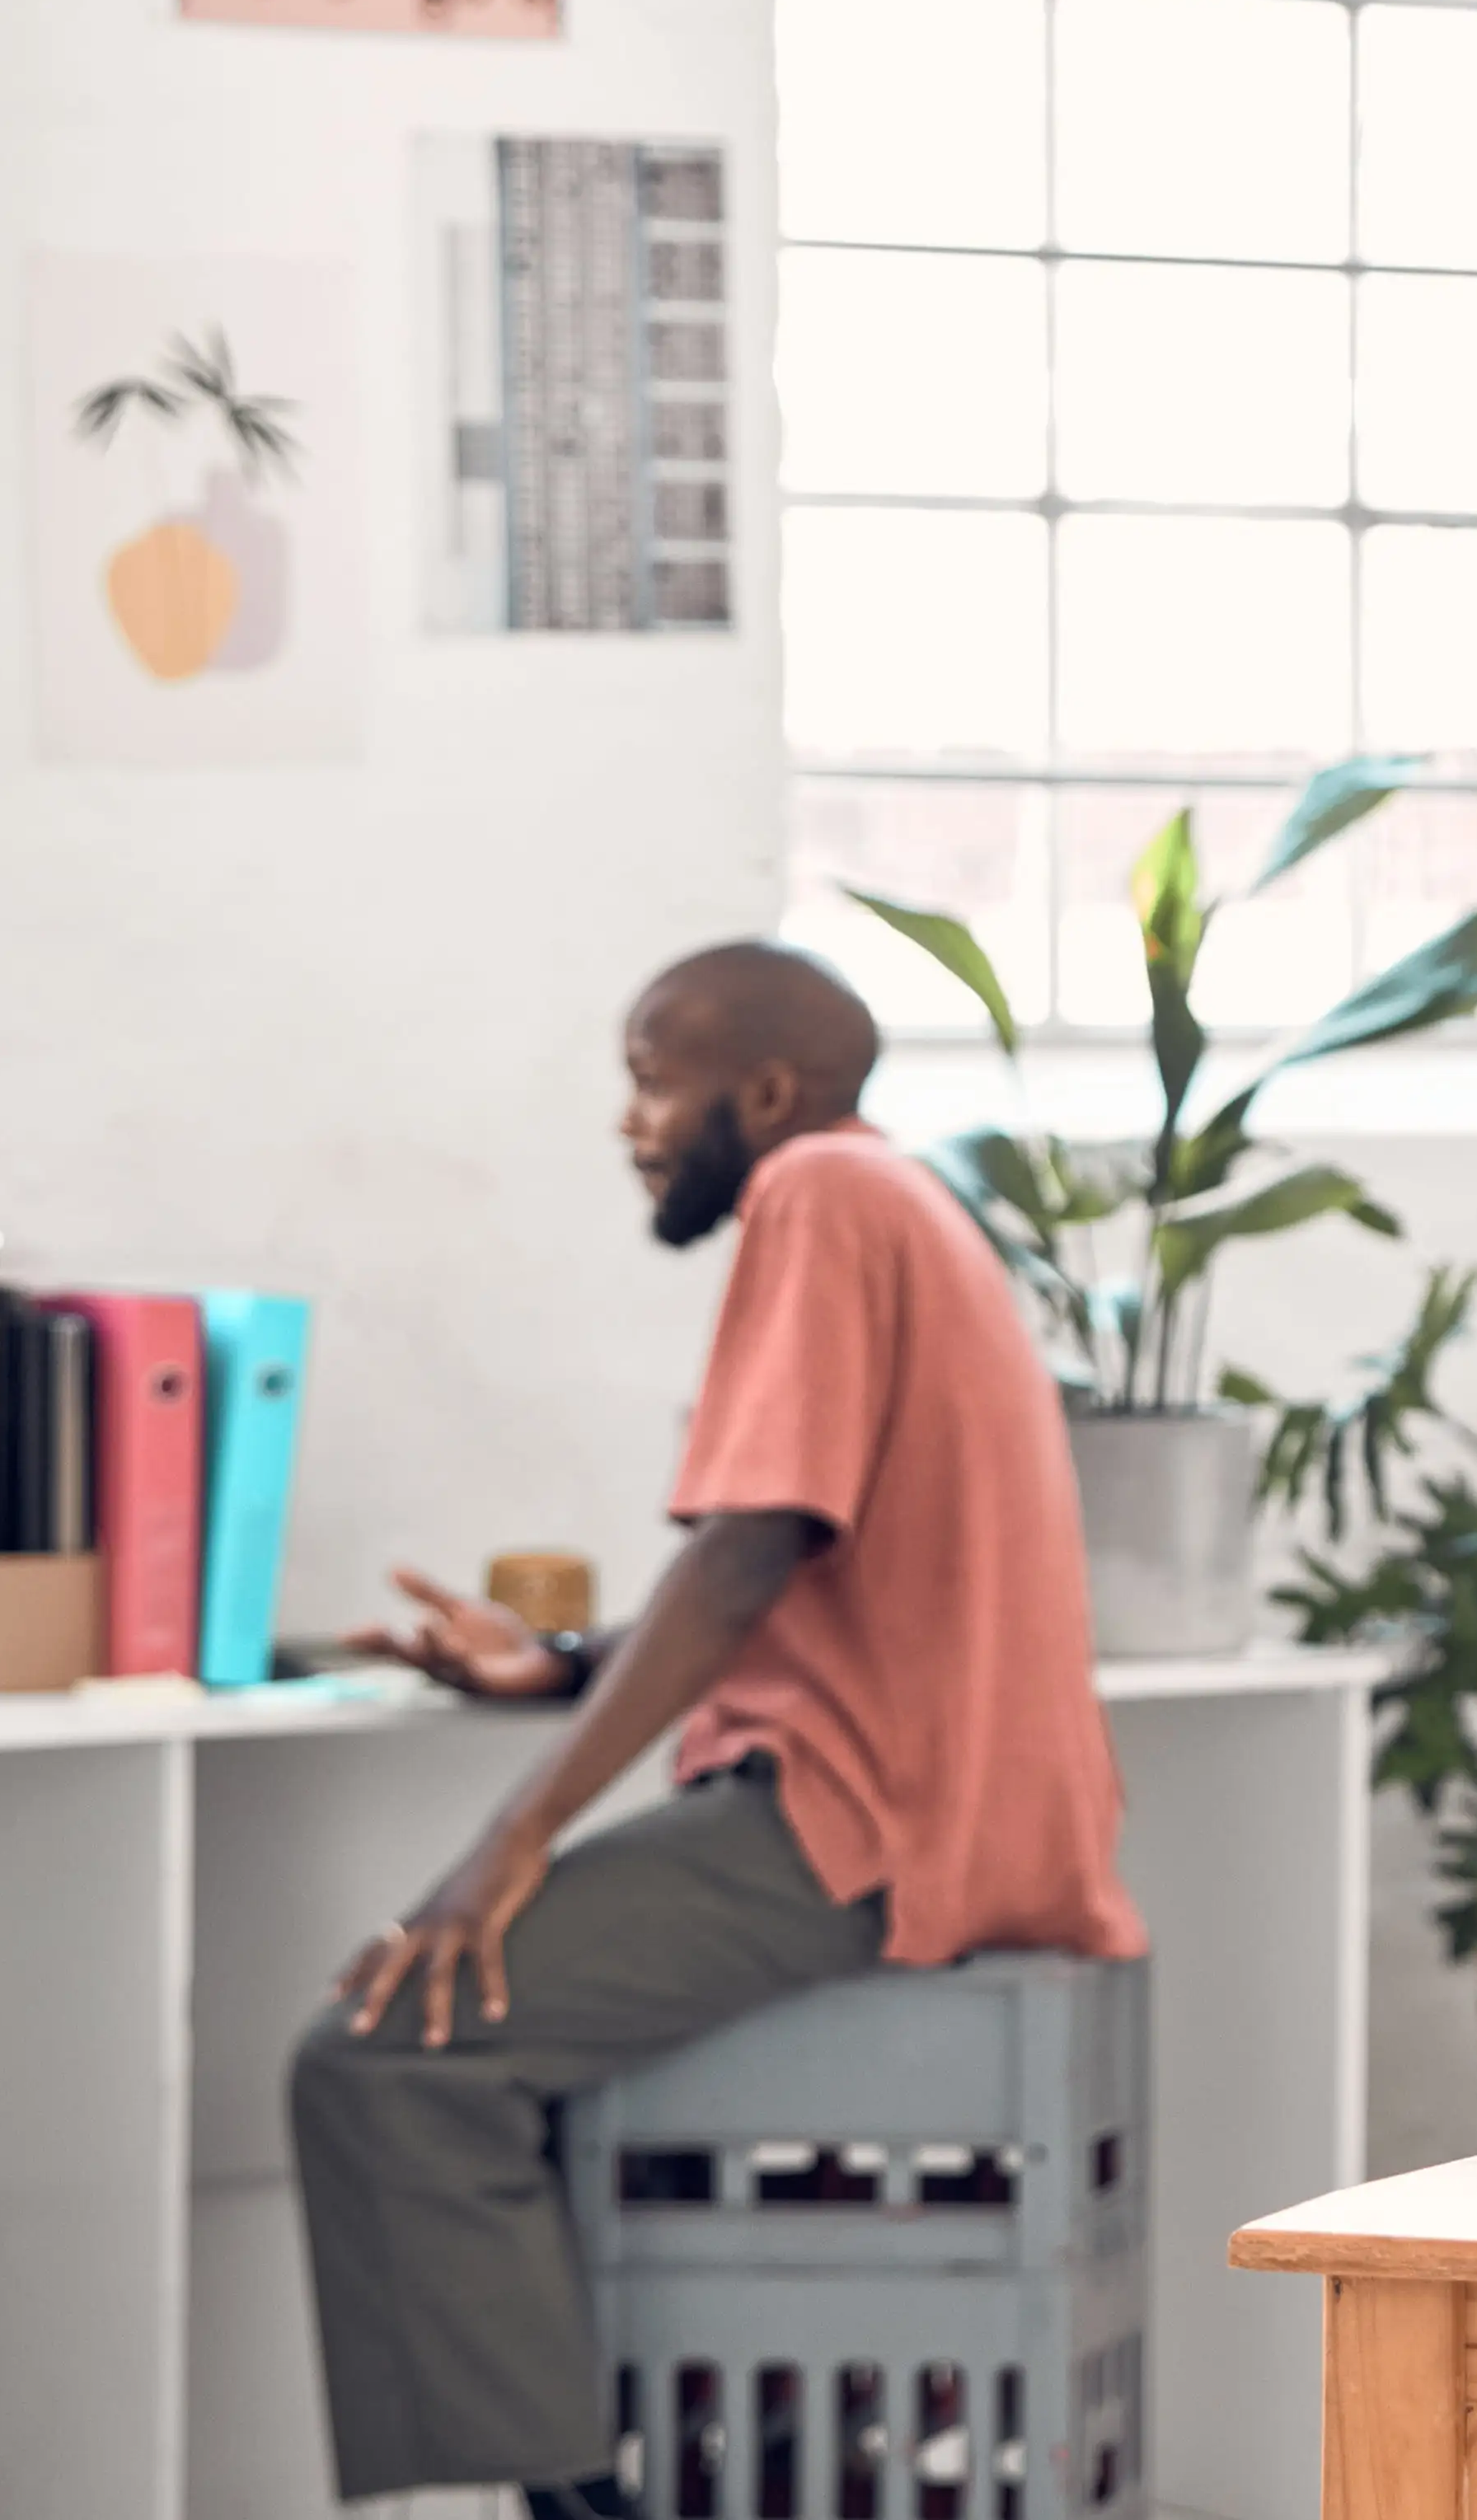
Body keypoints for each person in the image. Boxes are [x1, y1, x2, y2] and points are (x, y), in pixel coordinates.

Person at [288, 940, 1138, 2520]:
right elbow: (819, 1566)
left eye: (650, 1078)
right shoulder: (907, 1205)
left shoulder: (816, 1191)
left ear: (763, 1090)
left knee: (385, 2056)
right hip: (925, 1794)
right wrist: (550, 1663)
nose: (631, 1122)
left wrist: (510, 1839)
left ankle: (580, 2506)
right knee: (474, 2060)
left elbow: (751, 1549)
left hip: (869, 1818)